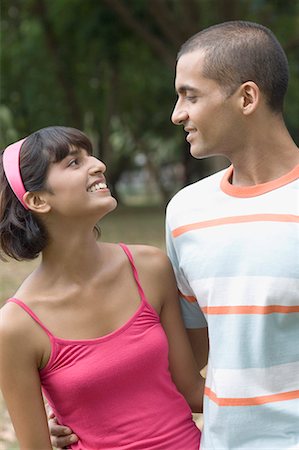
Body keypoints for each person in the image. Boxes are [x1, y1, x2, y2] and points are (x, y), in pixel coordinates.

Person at [48, 20, 299, 449]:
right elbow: (185, 365)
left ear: (247, 97)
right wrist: (85, 408)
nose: (176, 113)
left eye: (191, 95)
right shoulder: (186, 212)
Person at [0, 126, 204, 450]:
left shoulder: (151, 268)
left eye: (89, 155)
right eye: (73, 163)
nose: (98, 165)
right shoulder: (15, 326)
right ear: (38, 200)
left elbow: (192, 390)